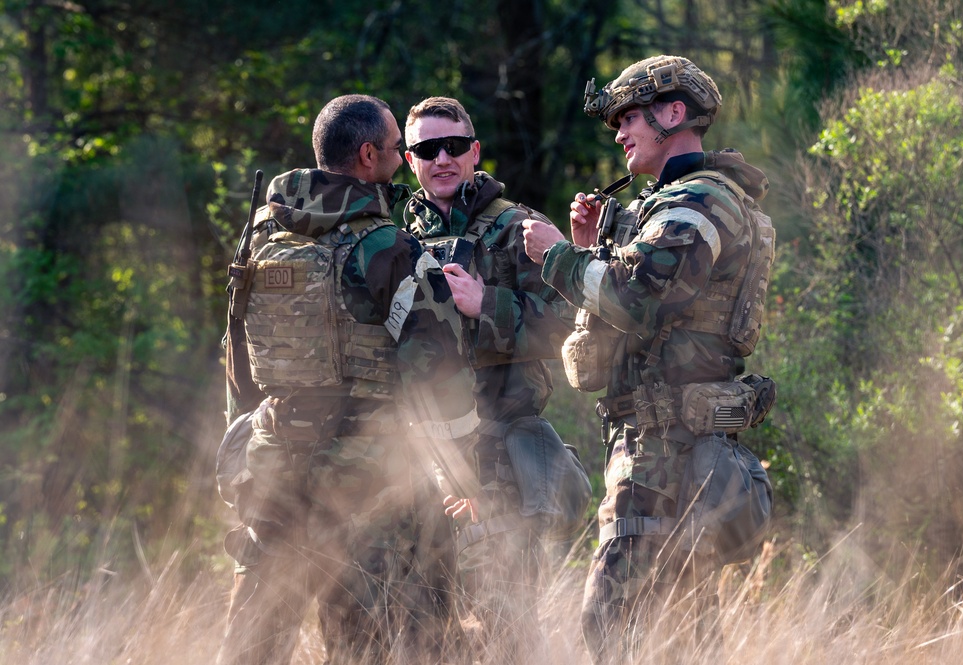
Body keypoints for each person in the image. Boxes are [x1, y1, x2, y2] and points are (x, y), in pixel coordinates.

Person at [523, 55, 775, 660]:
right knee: (680, 631)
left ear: (673, 113)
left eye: (630, 116)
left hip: (664, 455)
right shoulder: (674, 203)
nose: (619, 133)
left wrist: (560, 257)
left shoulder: (697, 202)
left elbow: (641, 301)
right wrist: (590, 249)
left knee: (613, 622)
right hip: (661, 445)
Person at [216, 93, 480, 665]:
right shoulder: (390, 248)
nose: (400, 157)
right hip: (365, 480)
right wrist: (463, 468)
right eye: (395, 149)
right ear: (368, 156)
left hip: (275, 462)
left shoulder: (264, 241)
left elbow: (238, 358)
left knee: (253, 642)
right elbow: (438, 370)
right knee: (360, 645)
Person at [401, 96, 579, 663]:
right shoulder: (393, 236)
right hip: (420, 459)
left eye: (455, 146)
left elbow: (572, 323)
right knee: (423, 624)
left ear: (475, 152)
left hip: (499, 453)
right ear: (411, 160)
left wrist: (490, 305)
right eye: (428, 150)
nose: (443, 159)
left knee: (505, 620)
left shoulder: (519, 228)